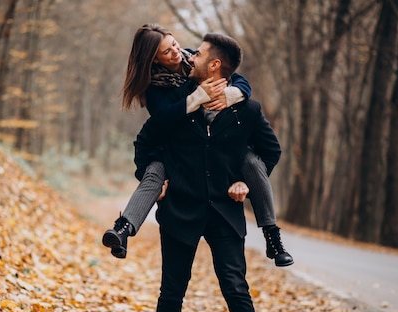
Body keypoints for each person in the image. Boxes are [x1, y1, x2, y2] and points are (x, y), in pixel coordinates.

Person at [136, 32, 282, 312]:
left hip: (225, 211)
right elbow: (147, 139)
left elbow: (270, 151)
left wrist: (246, 184)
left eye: (198, 54)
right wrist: (152, 175)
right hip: (180, 208)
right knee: (171, 290)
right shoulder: (177, 100)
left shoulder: (245, 108)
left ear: (215, 64)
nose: (188, 56)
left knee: (236, 289)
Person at [101, 24, 293, 267]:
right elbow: (161, 122)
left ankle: (272, 236)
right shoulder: (154, 88)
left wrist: (235, 93)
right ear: (154, 60)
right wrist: (196, 98)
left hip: (216, 142)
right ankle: (123, 229)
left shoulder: (192, 58)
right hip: (176, 147)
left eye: (174, 43)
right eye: (167, 51)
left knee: (251, 160)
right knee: (154, 173)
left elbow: (234, 74)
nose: (176, 51)